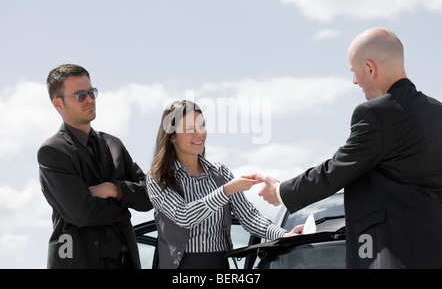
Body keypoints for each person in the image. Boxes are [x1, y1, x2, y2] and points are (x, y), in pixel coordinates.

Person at [256, 27, 442, 269]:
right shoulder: (437, 113)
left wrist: (281, 191)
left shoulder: (376, 113)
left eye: (354, 72)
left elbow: (335, 170)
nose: (354, 81)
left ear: (370, 68)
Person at [146, 100, 303, 269]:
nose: (200, 134)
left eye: (202, 125)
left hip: (219, 265)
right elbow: (184, 216)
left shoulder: (220, 173)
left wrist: (284, 234)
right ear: (171, 136)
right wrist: (226, 190)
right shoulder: (158, 179)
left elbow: (249, 217)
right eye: (190, 128)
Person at [38, 64, 152, 269]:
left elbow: (149, 196)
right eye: (80, 95)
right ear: (58, 104)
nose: (89, 99)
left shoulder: (114, 144)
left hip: (125, 263)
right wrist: (125, 206)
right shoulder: (52, 152)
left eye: (91, 92)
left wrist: (115, 189)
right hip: (79, 261)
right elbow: (82, 213)